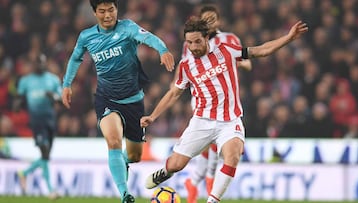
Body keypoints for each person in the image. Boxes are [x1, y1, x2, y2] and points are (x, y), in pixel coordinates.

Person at [141, 17, 308, 203]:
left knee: (233, 155)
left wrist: (289, 37)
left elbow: (260, 51)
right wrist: (153, 116)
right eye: (189, 42)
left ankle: (213, 200)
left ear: (206, 39)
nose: (193, 46)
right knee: (176, 165)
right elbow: (174, 94)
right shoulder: (186, 66)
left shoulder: (226, 51)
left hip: (229, 121)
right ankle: (165, 172)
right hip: (202, 121)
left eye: (197, 41)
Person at [61, 1, 174, 203]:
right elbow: (76, 58)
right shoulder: (87, 36)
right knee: (113, 141)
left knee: (135, 156)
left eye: (111, 10)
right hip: (106, 99)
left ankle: (122, 162)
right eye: (102, 11)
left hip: (134, 102)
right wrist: (67, 84)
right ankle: (125, 194)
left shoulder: (127, 27)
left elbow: (148, 38)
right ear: (94, 13)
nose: (107, 15)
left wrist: (163, 50)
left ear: (116, 10)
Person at [181, 5, 252, 203]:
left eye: (212, 18)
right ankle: (208, 183)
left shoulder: (230, 40)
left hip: (225, 96)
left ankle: (194, 182)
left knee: (214, 143)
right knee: (211, 140)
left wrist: (237, 62)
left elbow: (247, 61)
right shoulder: (194, 41)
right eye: (205, 20)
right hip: (201, 97)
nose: (209, 22)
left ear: (219, 20)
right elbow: (186, 67)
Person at [16, 54, 62, 200]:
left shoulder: (53, 80)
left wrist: (53, 97)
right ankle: (50, 190)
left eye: (42, 63)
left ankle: (24, 173)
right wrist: (17, 105)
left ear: (45, 63)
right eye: (37, 63)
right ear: (33, 65)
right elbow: (19, 100)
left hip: (50, 121)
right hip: (36, 122)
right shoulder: (25, 81)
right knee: (44, 151)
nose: (40, 65)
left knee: (46, 156)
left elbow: (60, 99)